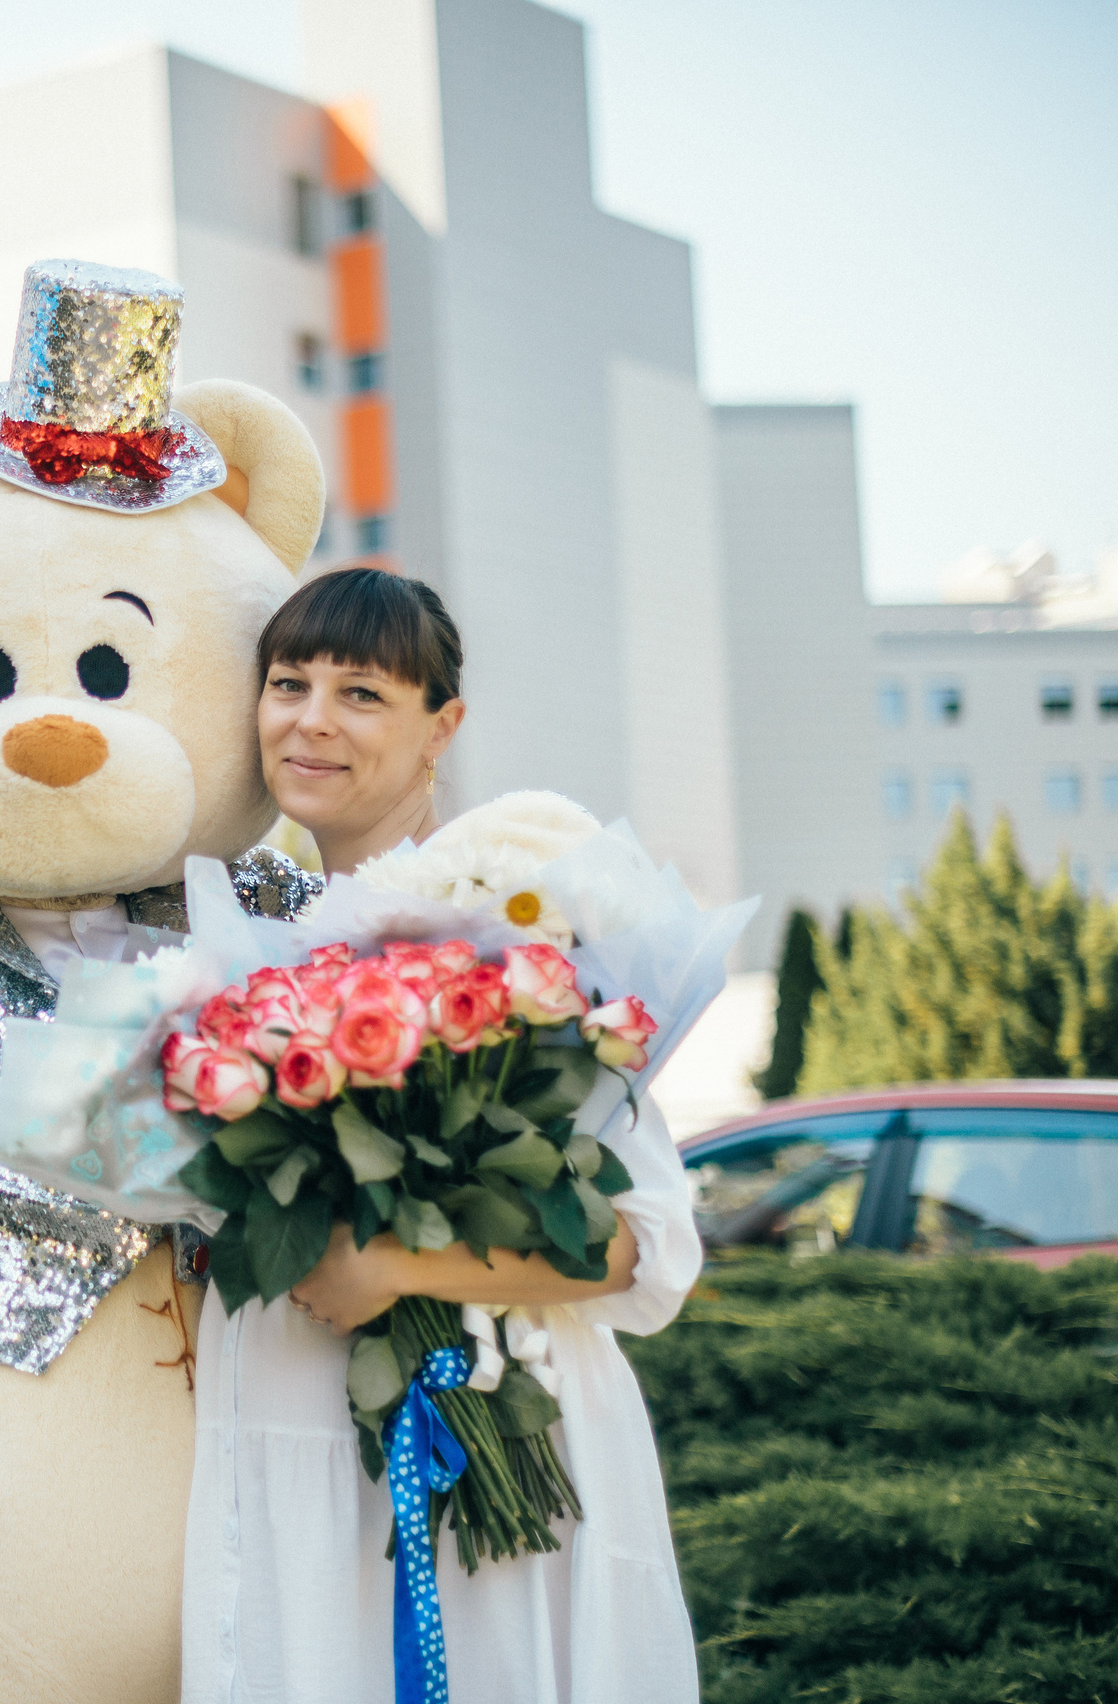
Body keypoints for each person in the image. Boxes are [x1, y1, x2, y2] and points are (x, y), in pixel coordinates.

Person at [181, 564, 703, 1704]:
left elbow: (645, 1251)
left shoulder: (522, 928)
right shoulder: (227, 952)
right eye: (287, 683)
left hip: (497, 1447)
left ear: (440, 727)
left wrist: (396, 1267)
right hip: (288, 1442)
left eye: (362, 693)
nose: (311, 720)